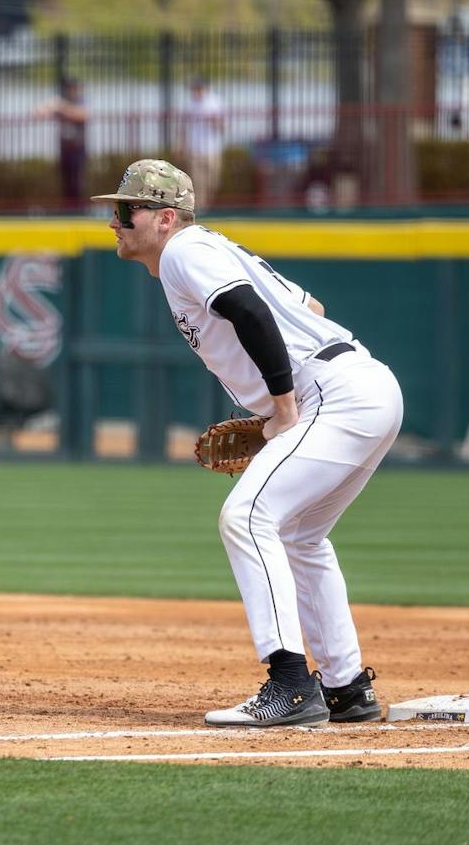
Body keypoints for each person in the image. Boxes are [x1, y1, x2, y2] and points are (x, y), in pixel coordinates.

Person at [93, 160, 402, 727]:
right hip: (365, 387)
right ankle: (346, 688)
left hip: (331, 394)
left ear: (165, 218)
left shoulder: (185, 250)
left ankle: (289, 686)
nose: (113, 221)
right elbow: (310, 309)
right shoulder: (212, 250)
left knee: (248, 516)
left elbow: (251, 312)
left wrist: (283, 411)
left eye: (124, 210)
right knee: (302, 537)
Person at [33, 78, 89, 209]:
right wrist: (50, 106)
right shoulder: (61, 103)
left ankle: (79, 207)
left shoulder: (80, 102)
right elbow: (38, 113)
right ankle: (69, 207)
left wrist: (61, 106)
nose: (72, 91)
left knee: (78, 180)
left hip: (78, 147)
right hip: (65, 147)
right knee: (66, 178)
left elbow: (82, 115)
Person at [178, 76, 224, 213]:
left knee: (213, 180)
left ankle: (207, 205)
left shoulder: (215, 102)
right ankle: (201, 209)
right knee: (198, 182)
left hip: (212, 149)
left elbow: (222, 127)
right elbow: (183, 126)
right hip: (194, 149)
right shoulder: (189, 104)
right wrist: (181, 145)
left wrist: (214, 121)